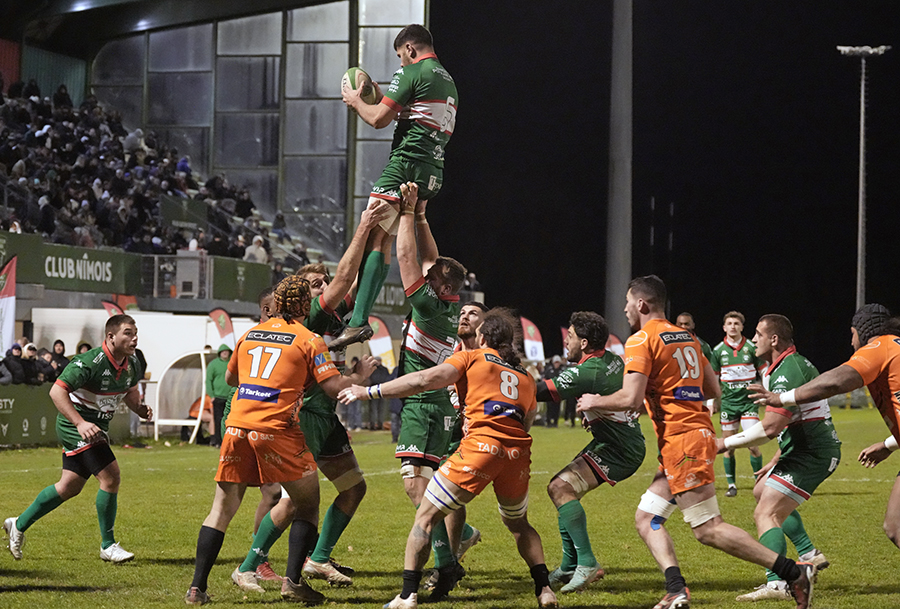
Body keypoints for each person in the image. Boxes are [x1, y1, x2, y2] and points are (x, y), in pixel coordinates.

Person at [576, 275, 814, 609]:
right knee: (647, 518)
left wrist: (593, 401)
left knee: (708, 529)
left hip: (683, 441)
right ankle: (676, 589)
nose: (626, 309)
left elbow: (630, 398)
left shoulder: (641, 339)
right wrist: (673, 392)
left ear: (642, 304)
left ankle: (793, 572)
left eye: (628, 302)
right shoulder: (687, 339)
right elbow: (713, 390)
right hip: (689, 437)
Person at [337, 309, 558, 609]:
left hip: (481, 448)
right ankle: (544, 589)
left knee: (425, 517)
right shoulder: (527, 377)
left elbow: (425, 379)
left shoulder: (472, 357)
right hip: (517, 454)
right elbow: (526, 421)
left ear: (482, 337)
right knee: (519, 524)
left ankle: (407, 595)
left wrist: (370, 392)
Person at [184, 276, 375, 606]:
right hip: (276, 429)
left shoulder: (249, 335)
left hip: (236, 428)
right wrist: (359, 380)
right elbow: (332, 388)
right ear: (303, 306)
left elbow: (231, 378)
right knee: (307, 502)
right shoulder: (308, 338)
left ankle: (197, 589)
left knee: (221, 509)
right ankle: (293, 583)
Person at [231, 200, 390, 589]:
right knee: (291, 500)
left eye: (323, 282)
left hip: (323, 416)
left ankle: (316, 559)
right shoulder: (312, 317)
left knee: (353, 487)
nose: (325, 287)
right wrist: (369, 225)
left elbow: (365, 279)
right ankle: (250, 564)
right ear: (305, 297)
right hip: (301, 419)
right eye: (316, 284)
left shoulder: (328, 323)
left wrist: (386, 231)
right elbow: (345, 278)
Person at [332, 24, 458, 349]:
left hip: (405, 165)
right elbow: (417, 114)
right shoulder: (447, 79)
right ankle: (356, 317)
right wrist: (384, 93)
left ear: (410, 50)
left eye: (401, 57)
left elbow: (377, 119)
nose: (401, 63)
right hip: (433, 170)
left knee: (376, 236)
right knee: (385, 238)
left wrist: (355, 100)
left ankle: (358, 321)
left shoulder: (412, 71)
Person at [373, 182, 466, 599]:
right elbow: (431, 260)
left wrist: (407, 213)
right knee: (429, 488)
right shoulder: (446, 301)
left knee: (417, 488)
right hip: (440, 407)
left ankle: (446, 562)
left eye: (430, 280)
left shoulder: (428, 305)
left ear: (438, 288)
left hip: (422, 405)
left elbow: (409, 258)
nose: (423, 279)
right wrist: (422, 216)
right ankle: (448, 559)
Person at [750, 303, 900, 554]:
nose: (852, 342)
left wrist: (783, 398)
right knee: (895, 526)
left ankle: (785, 573)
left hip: (816, 451)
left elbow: (836, 381)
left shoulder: (881, 345)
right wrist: (888, 445)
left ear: (863, 331)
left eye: (852, 333)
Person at [4, 315, 150, 563]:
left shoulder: (132, 363)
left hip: (95, 428)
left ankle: (18, 524)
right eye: (128, 332)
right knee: (111, 476)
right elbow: (56, 391)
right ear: (111, 337)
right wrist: (80, 423)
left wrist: (139, 408)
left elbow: (130, 389)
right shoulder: (89, 362)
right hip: (75, 427)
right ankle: (108, 545)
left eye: (135, 332)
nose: (134, 337)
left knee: (69, 486)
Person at [720, 314, 836, 601]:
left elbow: (770, 427)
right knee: (761, 491)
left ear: (773, 339)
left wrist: (723, 443)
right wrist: (776, 458)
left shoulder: (788, 369)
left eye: (758, 334)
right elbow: (791, 421)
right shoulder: (777, 367)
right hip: (799, 449)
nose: (753, 339)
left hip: (813, 453)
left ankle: (778, 584)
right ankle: (810, 552)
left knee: (766, 513)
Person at [539, 311, 645, 593]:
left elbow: (542, 391)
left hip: (620, 450)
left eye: (570, 338)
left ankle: (586, 564)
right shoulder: (611, 359)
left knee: (561, 488)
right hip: (619, 442)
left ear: (584, 343)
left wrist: (505, 383)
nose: (566, 343)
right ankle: (570, 565)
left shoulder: (587, 370)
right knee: (559, 489)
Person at [711, 311, 765, 497]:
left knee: (753, 444)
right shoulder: (718, 351)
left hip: (748, 403)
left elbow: (763, 372)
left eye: (736, 323)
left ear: (742, 327)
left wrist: (767, 392)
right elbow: (714, 379)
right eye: (730, 323)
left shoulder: (751, 348)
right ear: (724, 327)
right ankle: (731, 485)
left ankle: (759, 481)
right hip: (728, 404)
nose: (733, 326)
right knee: (728, 446)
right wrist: (712, 402)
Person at [675, 313, 716, 415]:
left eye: (686, 324)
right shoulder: (668, 345)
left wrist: (710, 401)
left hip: (695, 391)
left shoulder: (703, 346)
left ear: (693, 325)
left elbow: (712, 372)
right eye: (680, 324)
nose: (683, 327)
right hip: (675, 391)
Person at [205, 344, 232, 448]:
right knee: (218, 420)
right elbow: (208, 380)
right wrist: (211, 395)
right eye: (223, 351)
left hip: (230, 397)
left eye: (226, 351)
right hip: (218, 397)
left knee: (229, 420)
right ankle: (218, 441)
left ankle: (228, 441)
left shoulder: (232, 363)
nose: (225, 353)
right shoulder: (213, 364)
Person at [541, 355, 565, 427]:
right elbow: (544, 379)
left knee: (557, 407)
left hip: (558, 391)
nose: (556, 364)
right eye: (555, 362)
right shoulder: (549, 370)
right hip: (549, 391)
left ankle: (555, 422)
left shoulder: (562, 370)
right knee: (549, 407)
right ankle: (548, 422)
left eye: (558, 362)